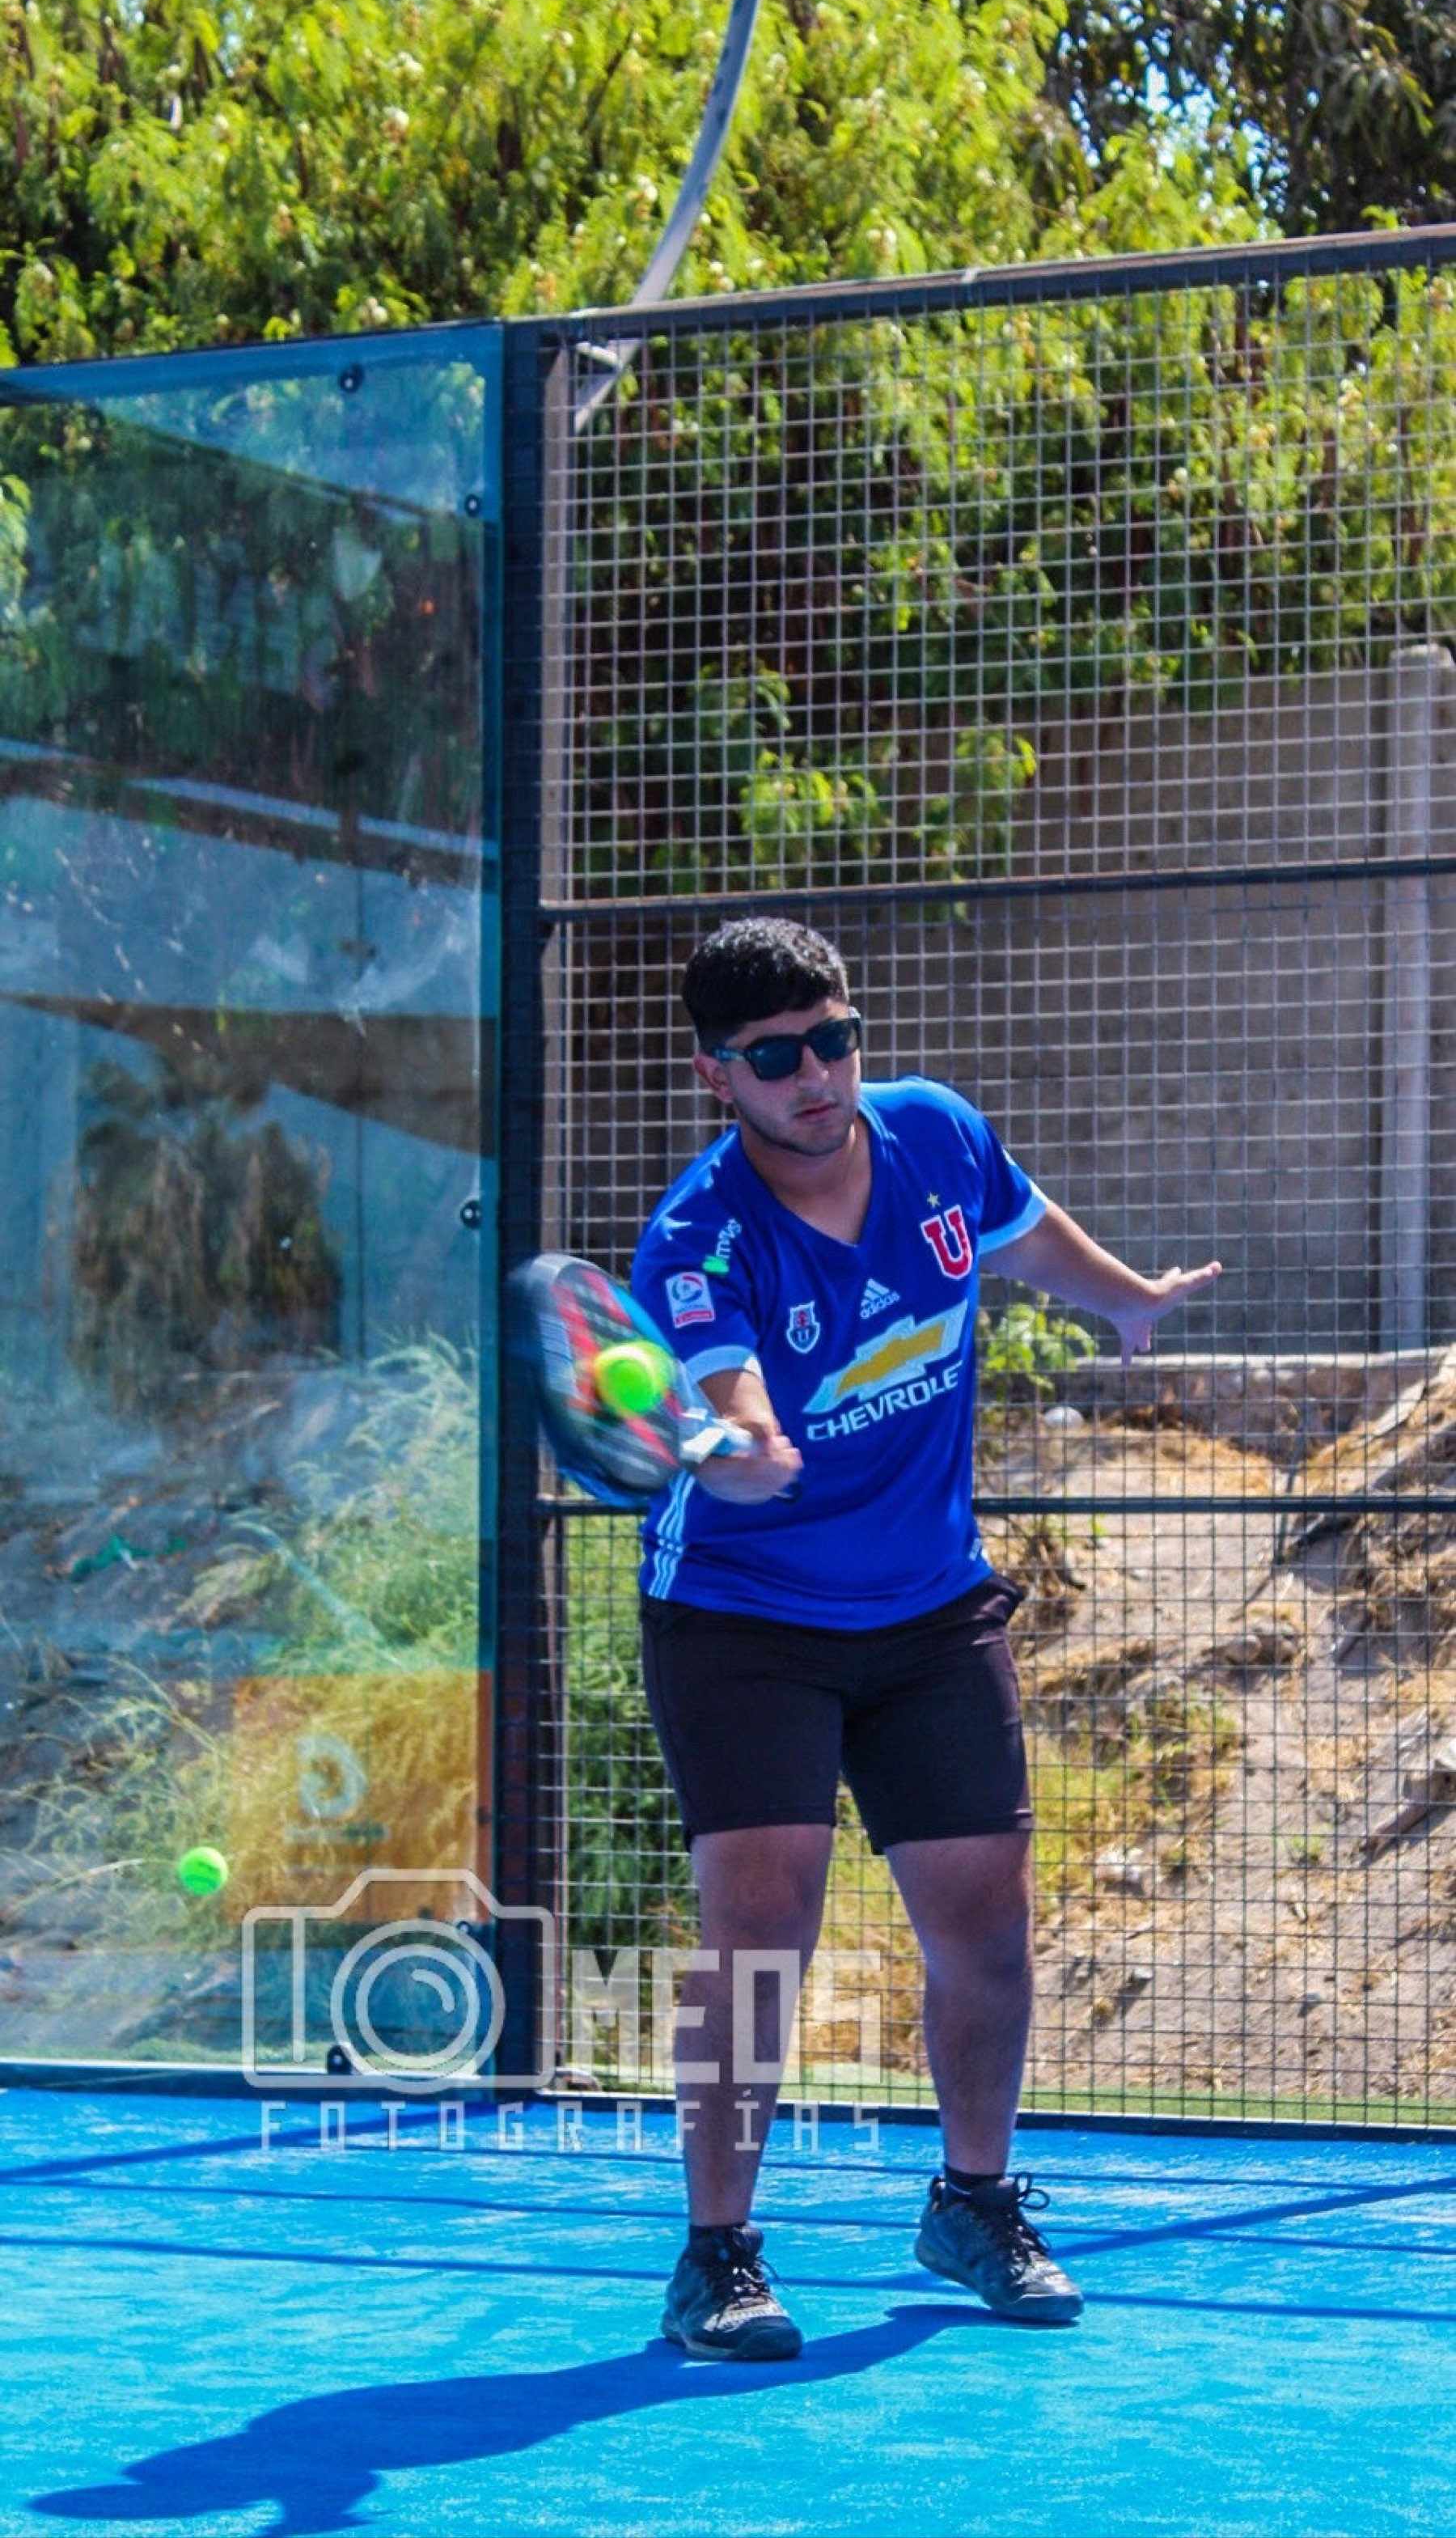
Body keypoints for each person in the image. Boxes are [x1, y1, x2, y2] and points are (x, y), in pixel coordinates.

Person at [629, 917, 1220, 2361]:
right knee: (761, 1933)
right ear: (718, 1076)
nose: (817, 1075)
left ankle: (974, 2205)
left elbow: (1021, 1229)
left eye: (834, 1038)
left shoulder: (937, 1133)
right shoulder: (699, 1239)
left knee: (985, 1928)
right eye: (777, 1057)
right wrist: (746, 1450)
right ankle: (716, 2258)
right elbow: (731, 1406)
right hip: (744, 1618)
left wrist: (1126, 1298)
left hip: (930, 1608)